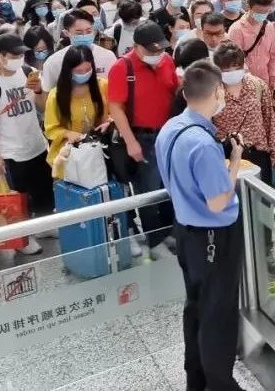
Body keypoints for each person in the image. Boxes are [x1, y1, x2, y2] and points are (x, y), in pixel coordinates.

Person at [155, 60, 245, 391]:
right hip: (214, 236)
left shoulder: (170, 128)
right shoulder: (203, 144)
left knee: (195, 306)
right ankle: (221, 384)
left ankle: (197, 379)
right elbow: (218, 202)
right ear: (217, 92)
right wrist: (234, 162)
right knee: (218, 313)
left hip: (186, 230)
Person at [0, 34, 50, 255]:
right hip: (10, 150)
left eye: (21, 54)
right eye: (14, 55)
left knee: (43, 192)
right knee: (18, 197)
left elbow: (42, 107)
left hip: (36, 144)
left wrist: (38, 90)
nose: (19, 59)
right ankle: (23, 238)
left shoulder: (27, 72)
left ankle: (44, 226)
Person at [107, 21, 179, 254]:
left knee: (170, 185)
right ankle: (155, 238)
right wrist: (130, 142)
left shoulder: (167, 61)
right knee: (149, 190)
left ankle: (171, 231)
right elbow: (116, 107)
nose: (157, 54)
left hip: (168, 134)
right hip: (143, 136)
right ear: (136, 46)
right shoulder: (122, 67)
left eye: (160, 49)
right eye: (151, 50)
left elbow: (174, 92)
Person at [210, 41, 275, 184]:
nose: (232, 72)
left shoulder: (257, 85)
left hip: (258, 153)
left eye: (236, 67)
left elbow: (270, 121)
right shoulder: (213, 91)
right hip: (226, 156)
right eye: (227, 69)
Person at [44, 45, 107, 180]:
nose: (84, 74)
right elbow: (50, 129)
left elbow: (114, 113)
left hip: (98, 152)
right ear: (69, 70)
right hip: (68, 157)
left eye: (88, 69)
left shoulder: (102, 86)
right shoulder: (56, 95)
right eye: (79, 71)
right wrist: (67, 133)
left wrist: (109, 122)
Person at [227, 0, 275, 88]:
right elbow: (235, 60)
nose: (262, 15)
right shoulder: (236, 29)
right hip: (244, 84)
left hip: (265, 81)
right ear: (248, 7)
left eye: (265, 12)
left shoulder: (269, 27)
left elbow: (274, 55)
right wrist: (251, 81)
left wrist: (273, 77)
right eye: (259, 12)